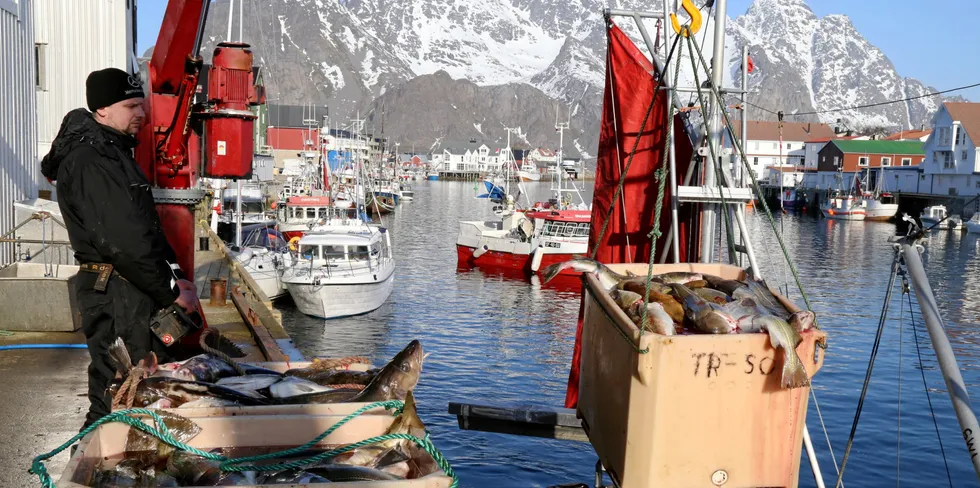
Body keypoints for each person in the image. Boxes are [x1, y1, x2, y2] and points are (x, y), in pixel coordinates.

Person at [39, 68, 201, 429]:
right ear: (102, 110)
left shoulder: (112, 153)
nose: (141, 115)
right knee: (121, 389)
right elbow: (122, 243)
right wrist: (172, 293)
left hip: (126, 289)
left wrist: (177, 280)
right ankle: (97, 473)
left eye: (141, 105)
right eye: (131, 106)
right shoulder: (91, 160)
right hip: (117, 293)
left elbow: (144, 231)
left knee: (140, 387)